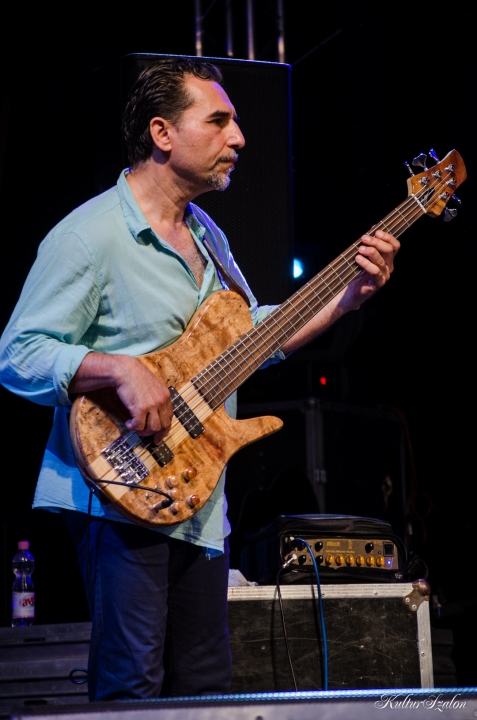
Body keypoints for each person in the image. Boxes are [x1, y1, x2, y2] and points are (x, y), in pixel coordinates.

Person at [0, 57, 399, 700]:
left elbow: (251, 339)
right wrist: (119, 369)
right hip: (118, 492)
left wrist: (345, 299)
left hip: (201, 502)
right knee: (132, 688)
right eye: (218, 121)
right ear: (162, 133)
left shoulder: (208, 235)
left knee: (206, 692)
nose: (238, 137)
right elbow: (18, 355)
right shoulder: (90, 237)